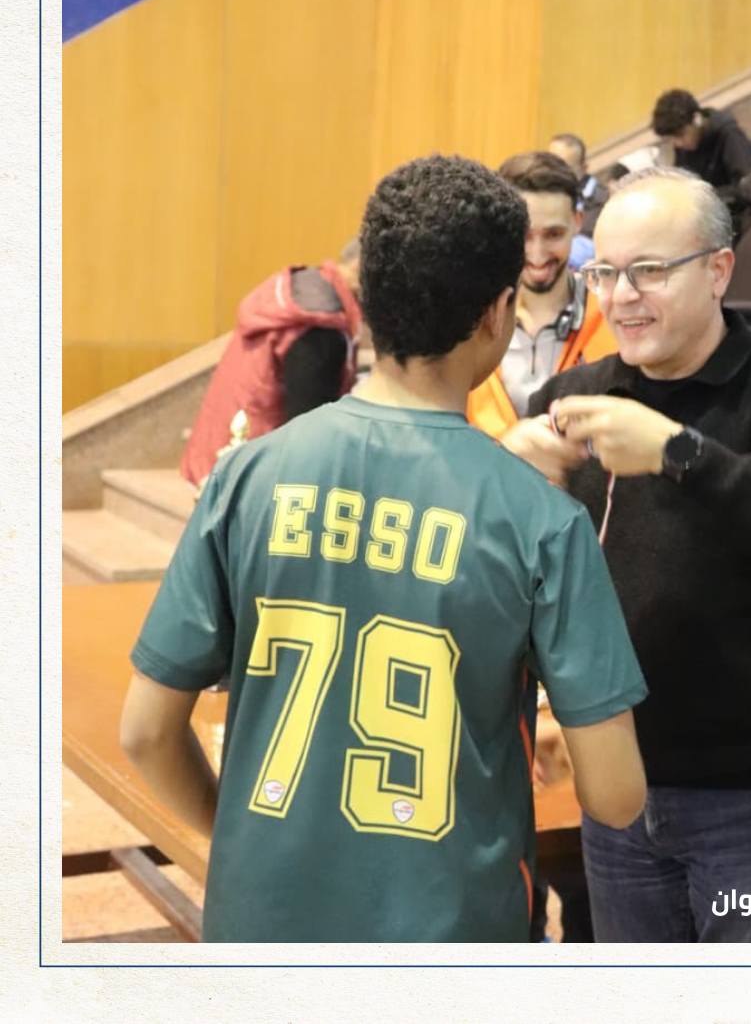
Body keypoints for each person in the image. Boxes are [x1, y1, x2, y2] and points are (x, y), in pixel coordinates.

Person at [120, 154, 647, 944]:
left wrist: (236, 843)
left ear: (368, 301)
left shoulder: (246, 477)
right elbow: (615, 796)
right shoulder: (542, 518)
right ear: (498, 313)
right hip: (450, 935)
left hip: (259, 926)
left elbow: (145, 732)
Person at [506, 166, 751, 943]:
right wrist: (506, 476)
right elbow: (534, 585)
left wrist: (681, 454)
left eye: (649, 270)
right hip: (617, 786)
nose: (621, 297)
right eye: (606, 273)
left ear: (718, 270)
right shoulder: (573, 398)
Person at [180, 240, 365, 488]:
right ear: (359, 267)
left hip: (222, 457)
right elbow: (310, 433)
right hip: (252, 474)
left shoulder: (296, 295)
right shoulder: (319, 326)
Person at [466, 151, 616, 439]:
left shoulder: (612, 318)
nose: (536, 254)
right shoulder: (468, 324)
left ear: (578, 221)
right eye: (524, 235)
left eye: (553, 234)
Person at [650, 89, 751, 201]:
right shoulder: (685, 143)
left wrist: (703, 196)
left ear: (697, 120)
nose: (678, 144)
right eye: (671, 139)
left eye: (681, 135)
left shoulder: (729, 134)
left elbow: (749, 185)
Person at [548, 131, 609, 239]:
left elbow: (584, 239)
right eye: (549, 163)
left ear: (583, 168)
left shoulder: (598, 198)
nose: (554, 171)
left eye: (563, 167)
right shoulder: (540, 188)